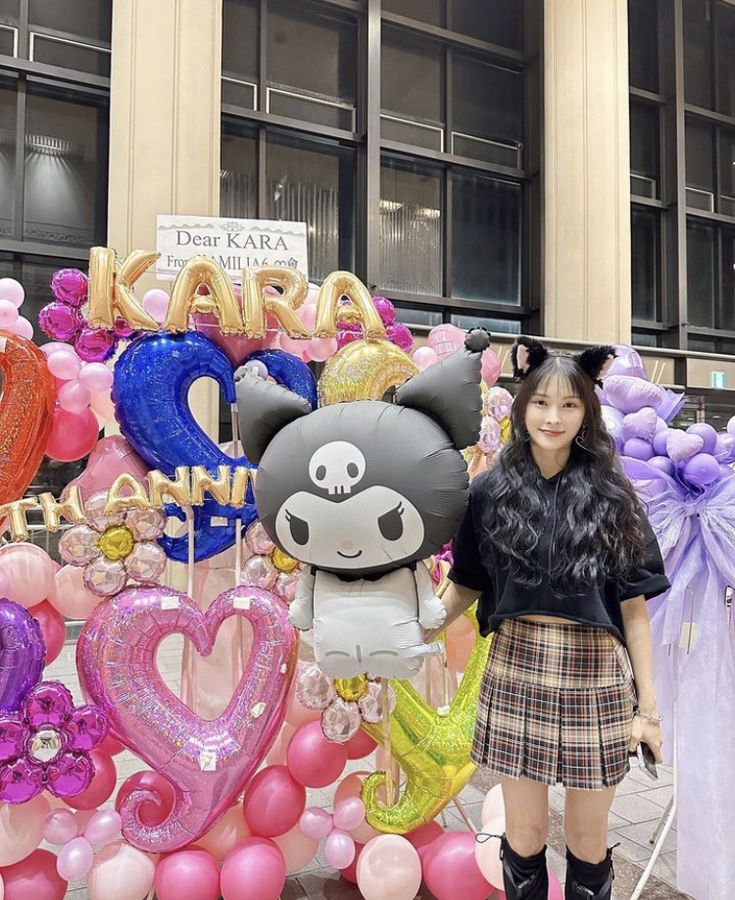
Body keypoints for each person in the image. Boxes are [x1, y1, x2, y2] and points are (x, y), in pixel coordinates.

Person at [430, 337, 670, 900]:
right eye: (541, 402)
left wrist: (650, 712)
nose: (553, 417)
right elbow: (465, 585)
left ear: (587, 412)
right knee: (526, 834)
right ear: (522, 404)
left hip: (597, 678)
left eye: (569, 405)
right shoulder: (489, 492)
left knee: (588, 839)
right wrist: (411, 633)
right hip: (516, 668)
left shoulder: (615, 496)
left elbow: (635, 611)